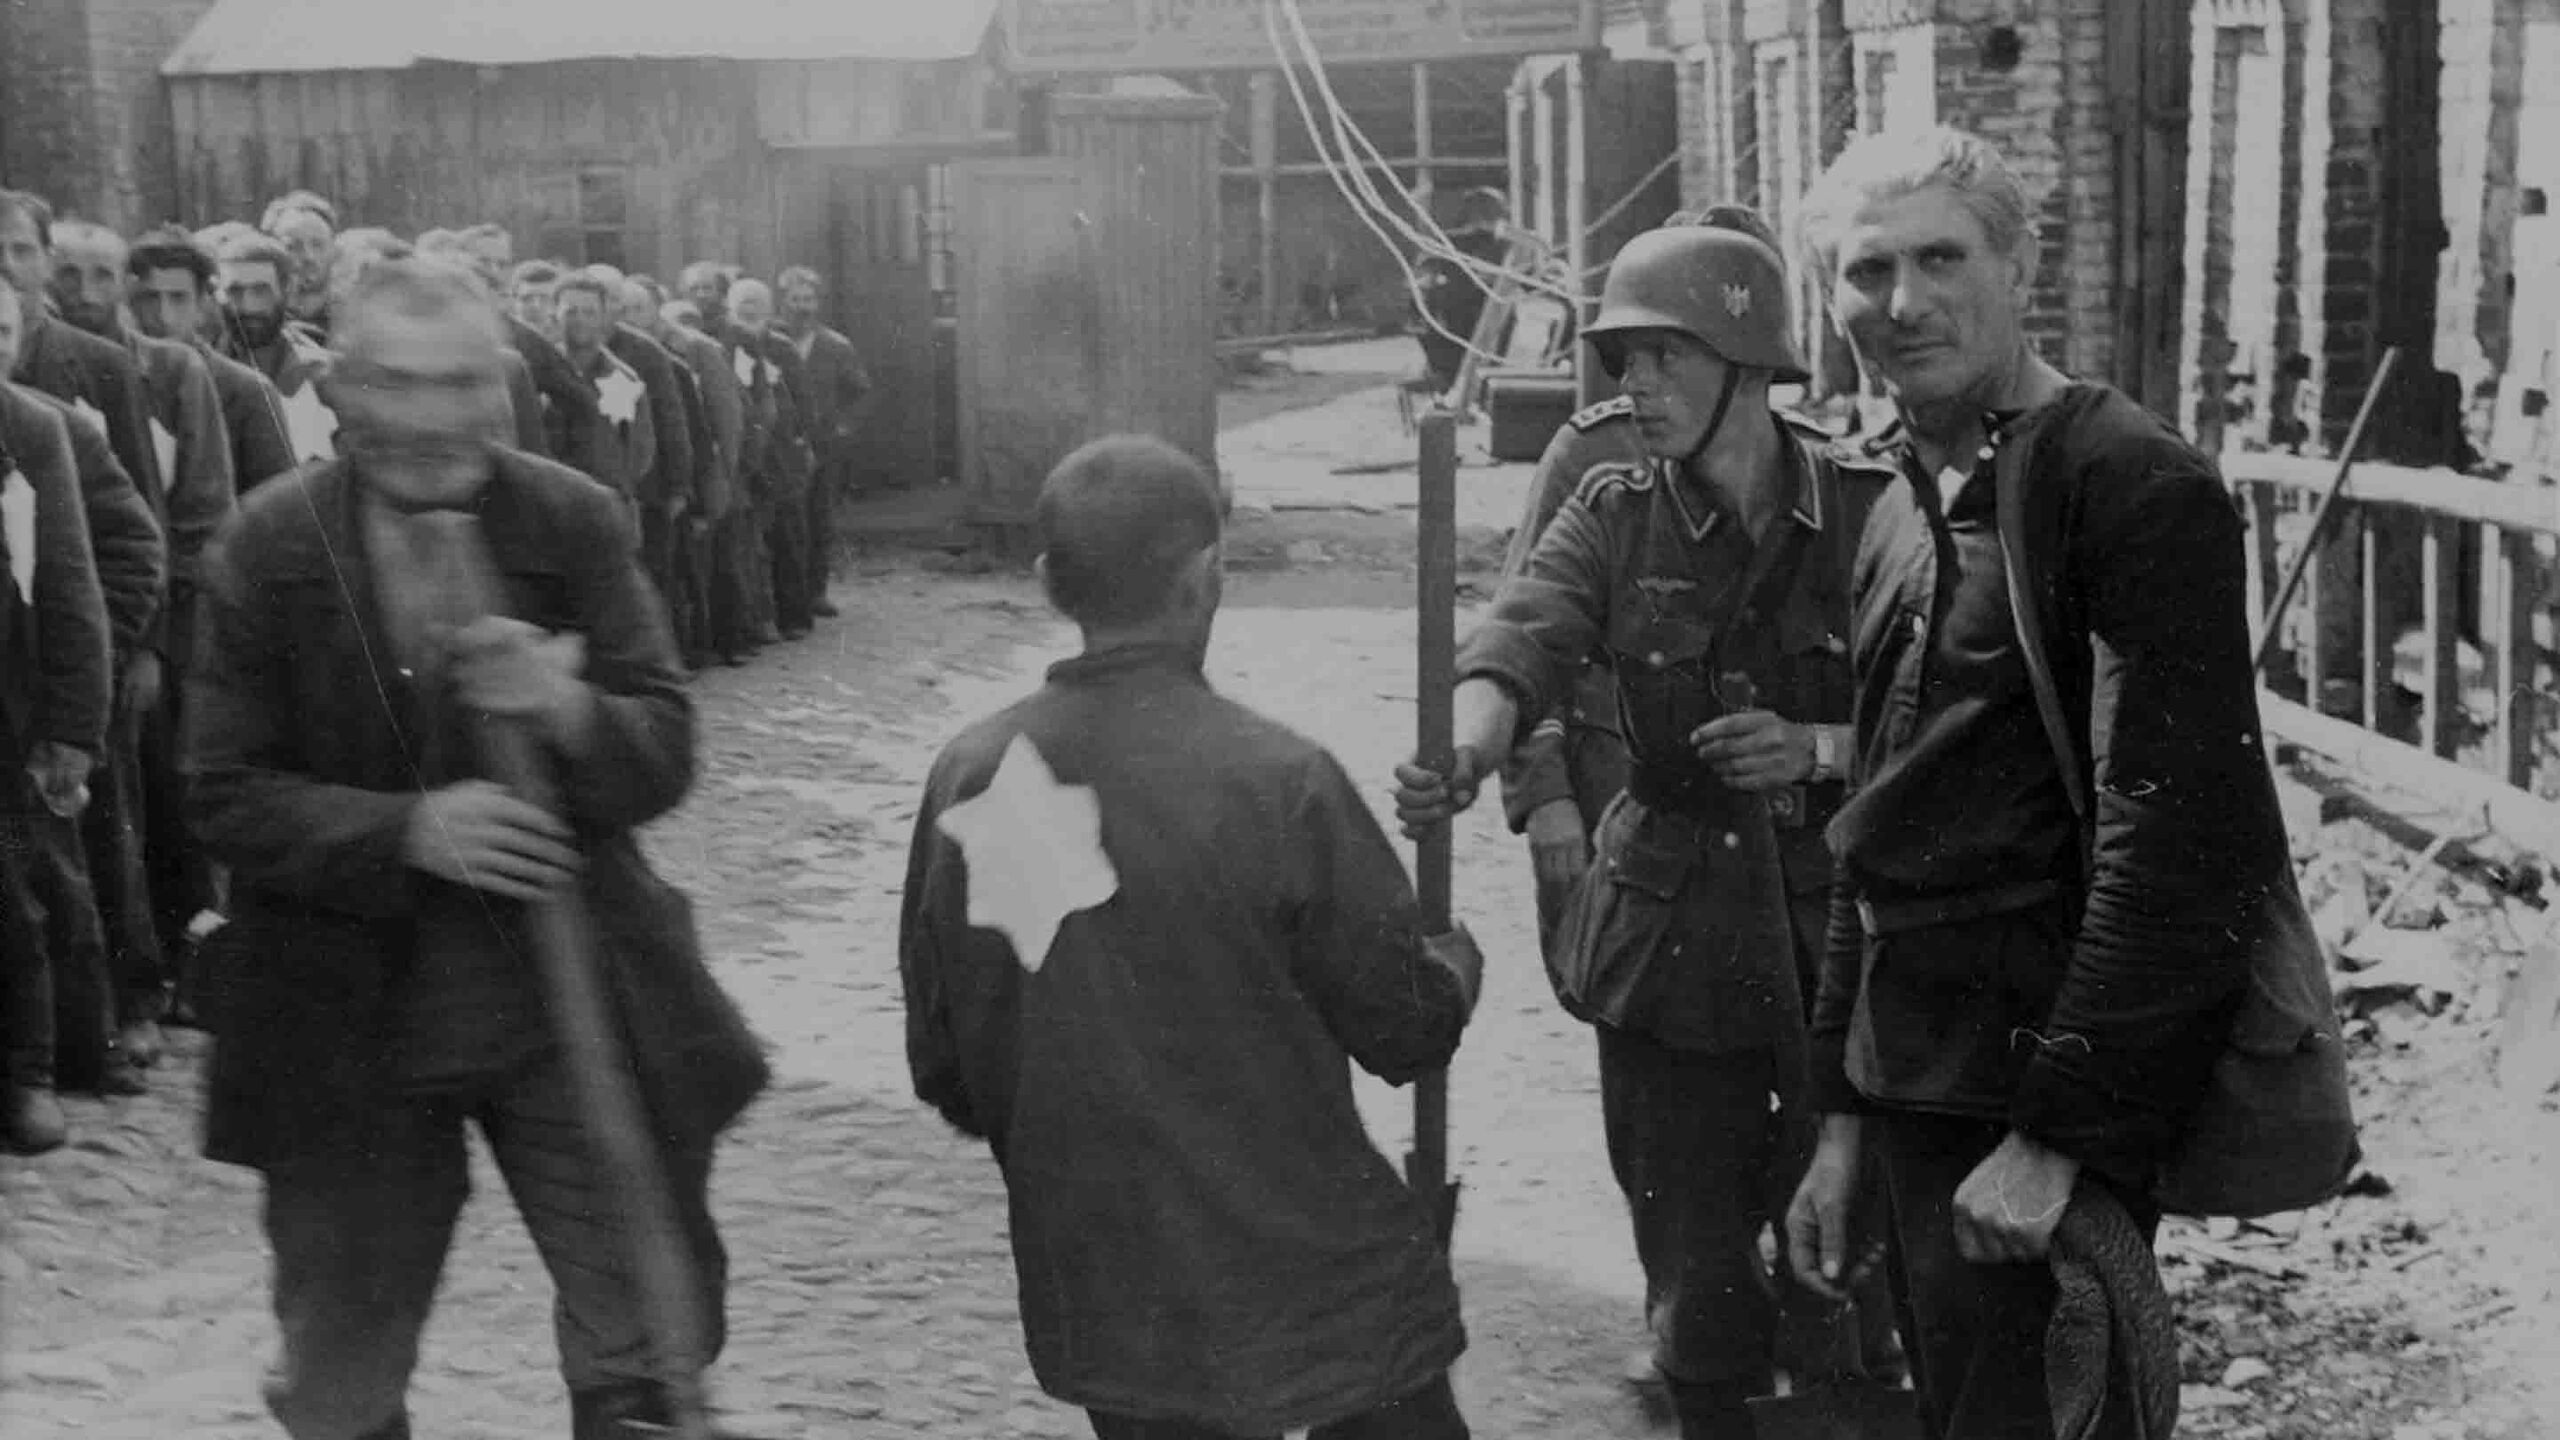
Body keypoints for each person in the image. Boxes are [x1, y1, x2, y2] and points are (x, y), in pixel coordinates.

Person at [183, 256, 768, 1440]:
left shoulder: (569, 518)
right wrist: (409, 830)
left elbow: (662, 748)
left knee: (648, 1334)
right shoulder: (268, 545)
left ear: (498, 392)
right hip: (346, 1008)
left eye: (461, 382)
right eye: (399, 382)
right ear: (341, 390)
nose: (433, 415)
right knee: (342, 1356)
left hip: (564, 1000)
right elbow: (219, 790)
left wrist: (564, 712)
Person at [1779, 126, 2281, 1440]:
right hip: (1915, 1093)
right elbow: (1874, 833)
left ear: (2018, 265)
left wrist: (2060, 1138)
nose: (1903, 304)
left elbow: (2181, 846)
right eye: (1865, 270)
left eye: (1942, 258)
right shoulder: (1893, 496)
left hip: (2034, 1101)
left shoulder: (2126, 483)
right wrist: (1840, 1117)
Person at [1392, 211, 1902, 1439]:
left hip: (1837, 939)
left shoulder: (1872, 513)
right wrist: (1467, 749)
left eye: (1663, 355)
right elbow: (1521, 636)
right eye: (1622, 358)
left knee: (1848, 1272)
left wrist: (1817, 749)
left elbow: (1943, 726)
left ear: (1745, 362)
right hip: (1670, 943)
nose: (1636, 383)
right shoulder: (1615, 512)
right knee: (1696, 1287)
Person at [902, 433, 1481, 1440]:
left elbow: (946, 1060)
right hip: (1320, 1280)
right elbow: (1402, 1029)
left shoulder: (970, 775)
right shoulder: (1280, 780)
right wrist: (1455, 964)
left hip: (1115, 1289)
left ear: (1047, 583)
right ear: (1204, 579)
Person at [51, 218, 241, 1063]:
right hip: (65, 630)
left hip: (154, 620)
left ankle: (180, 965)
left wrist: (157, 642)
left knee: (163, 800)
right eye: (75, 276)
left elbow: (184, 519)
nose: (90, 296)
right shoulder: (34, 362)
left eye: (104, 276)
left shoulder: (164, 371)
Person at [0, 292, 116, 1154]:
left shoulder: (32, 433)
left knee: (16, 895)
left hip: (10, 706)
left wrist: (73, 728)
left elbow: (73, 587)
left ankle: (25, 1074)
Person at [128, 225, 296, 492]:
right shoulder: (115, 377)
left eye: (178, 298)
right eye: (150, 298)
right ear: (131, 302)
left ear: (202, 303)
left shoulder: (246, 392)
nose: (163, 316)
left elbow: (276, 504)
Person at [774, 265, 871, 617]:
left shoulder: (835, 346)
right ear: (782, 302)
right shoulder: (770, 341)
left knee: (819, 518)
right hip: (781, 446)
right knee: (783, 519)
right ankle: (785, 593)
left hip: (821, 448)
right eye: (795, 299)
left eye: (809, 299)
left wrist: (842, 428)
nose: (803, 306)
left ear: (818, 303)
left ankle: (815, 591)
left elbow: (860, 392)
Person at [726, 279, 816, 639]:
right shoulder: (726, 345)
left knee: (787, 535)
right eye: (743, 303)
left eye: (755, 303)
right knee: (749, 538)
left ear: (767, 309)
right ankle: (756, 618)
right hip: (746, 450)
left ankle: (794, 616)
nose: (749, 310)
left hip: (780, 452)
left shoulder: (780, 348)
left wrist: (801, 442)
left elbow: (804, 401)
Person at [215, 232, 341, 464]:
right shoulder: (201, 372)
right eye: (235, 292)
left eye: (260, 291)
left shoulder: (321, 376)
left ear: (288, 290)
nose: (247, 306)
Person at [553, 273, 655, 509]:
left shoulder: (618, 379)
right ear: (556, 314)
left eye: (589, 312)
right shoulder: (538, 371)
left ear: (603, 317)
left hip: (603, 504)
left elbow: (637, 451)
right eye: (571, 311)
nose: (580, 320)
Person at [1413, 187, 1511, 394]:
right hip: (1465, 312)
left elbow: (1424, 277)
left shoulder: (1500, 243)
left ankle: (1449, 381)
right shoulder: (1499, 244)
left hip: (1466, 313)